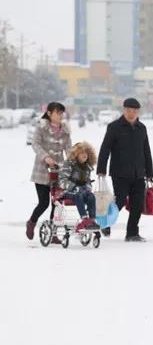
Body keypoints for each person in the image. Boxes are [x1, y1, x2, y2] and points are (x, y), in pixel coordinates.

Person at [97, 98, 153, 242]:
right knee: (119, 201)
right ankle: (106, 223)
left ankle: (132, 233)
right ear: (124, 110)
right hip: (120, 172)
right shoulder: (114, 127)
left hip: (138, 173)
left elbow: (146, 151)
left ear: (138, 112)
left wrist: (149, 172)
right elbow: (105, 148)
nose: (131, 113)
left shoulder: (142, 128)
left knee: (137, 203)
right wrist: (101, 168)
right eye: (128, 110)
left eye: (134, 111)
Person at [26, 102, 72, 241]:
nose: (60, 115)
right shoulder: (41, 127)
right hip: (42, 170)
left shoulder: (65, 130)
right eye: (57, 112)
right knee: (44, 202)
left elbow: (69, 148)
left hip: (59, 171)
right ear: (50, 113)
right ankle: (32, 222)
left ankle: (53, 234)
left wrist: (72, 161)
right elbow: (35, 144)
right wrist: (46, 157)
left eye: (61, 113)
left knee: (57, 204)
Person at [58, 142, 99, 232]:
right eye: (82, 153)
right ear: (76, 154)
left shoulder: (87, 167)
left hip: (82, 191)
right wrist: (74, 187)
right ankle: (84, 219)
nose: (85, 155)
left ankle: (92, 220)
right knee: (78, 195)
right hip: (68, 192)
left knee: (91, 196)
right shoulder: (68, 164)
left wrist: (87, 188)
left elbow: (88, 181)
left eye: (86, 153)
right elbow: (62, 181)